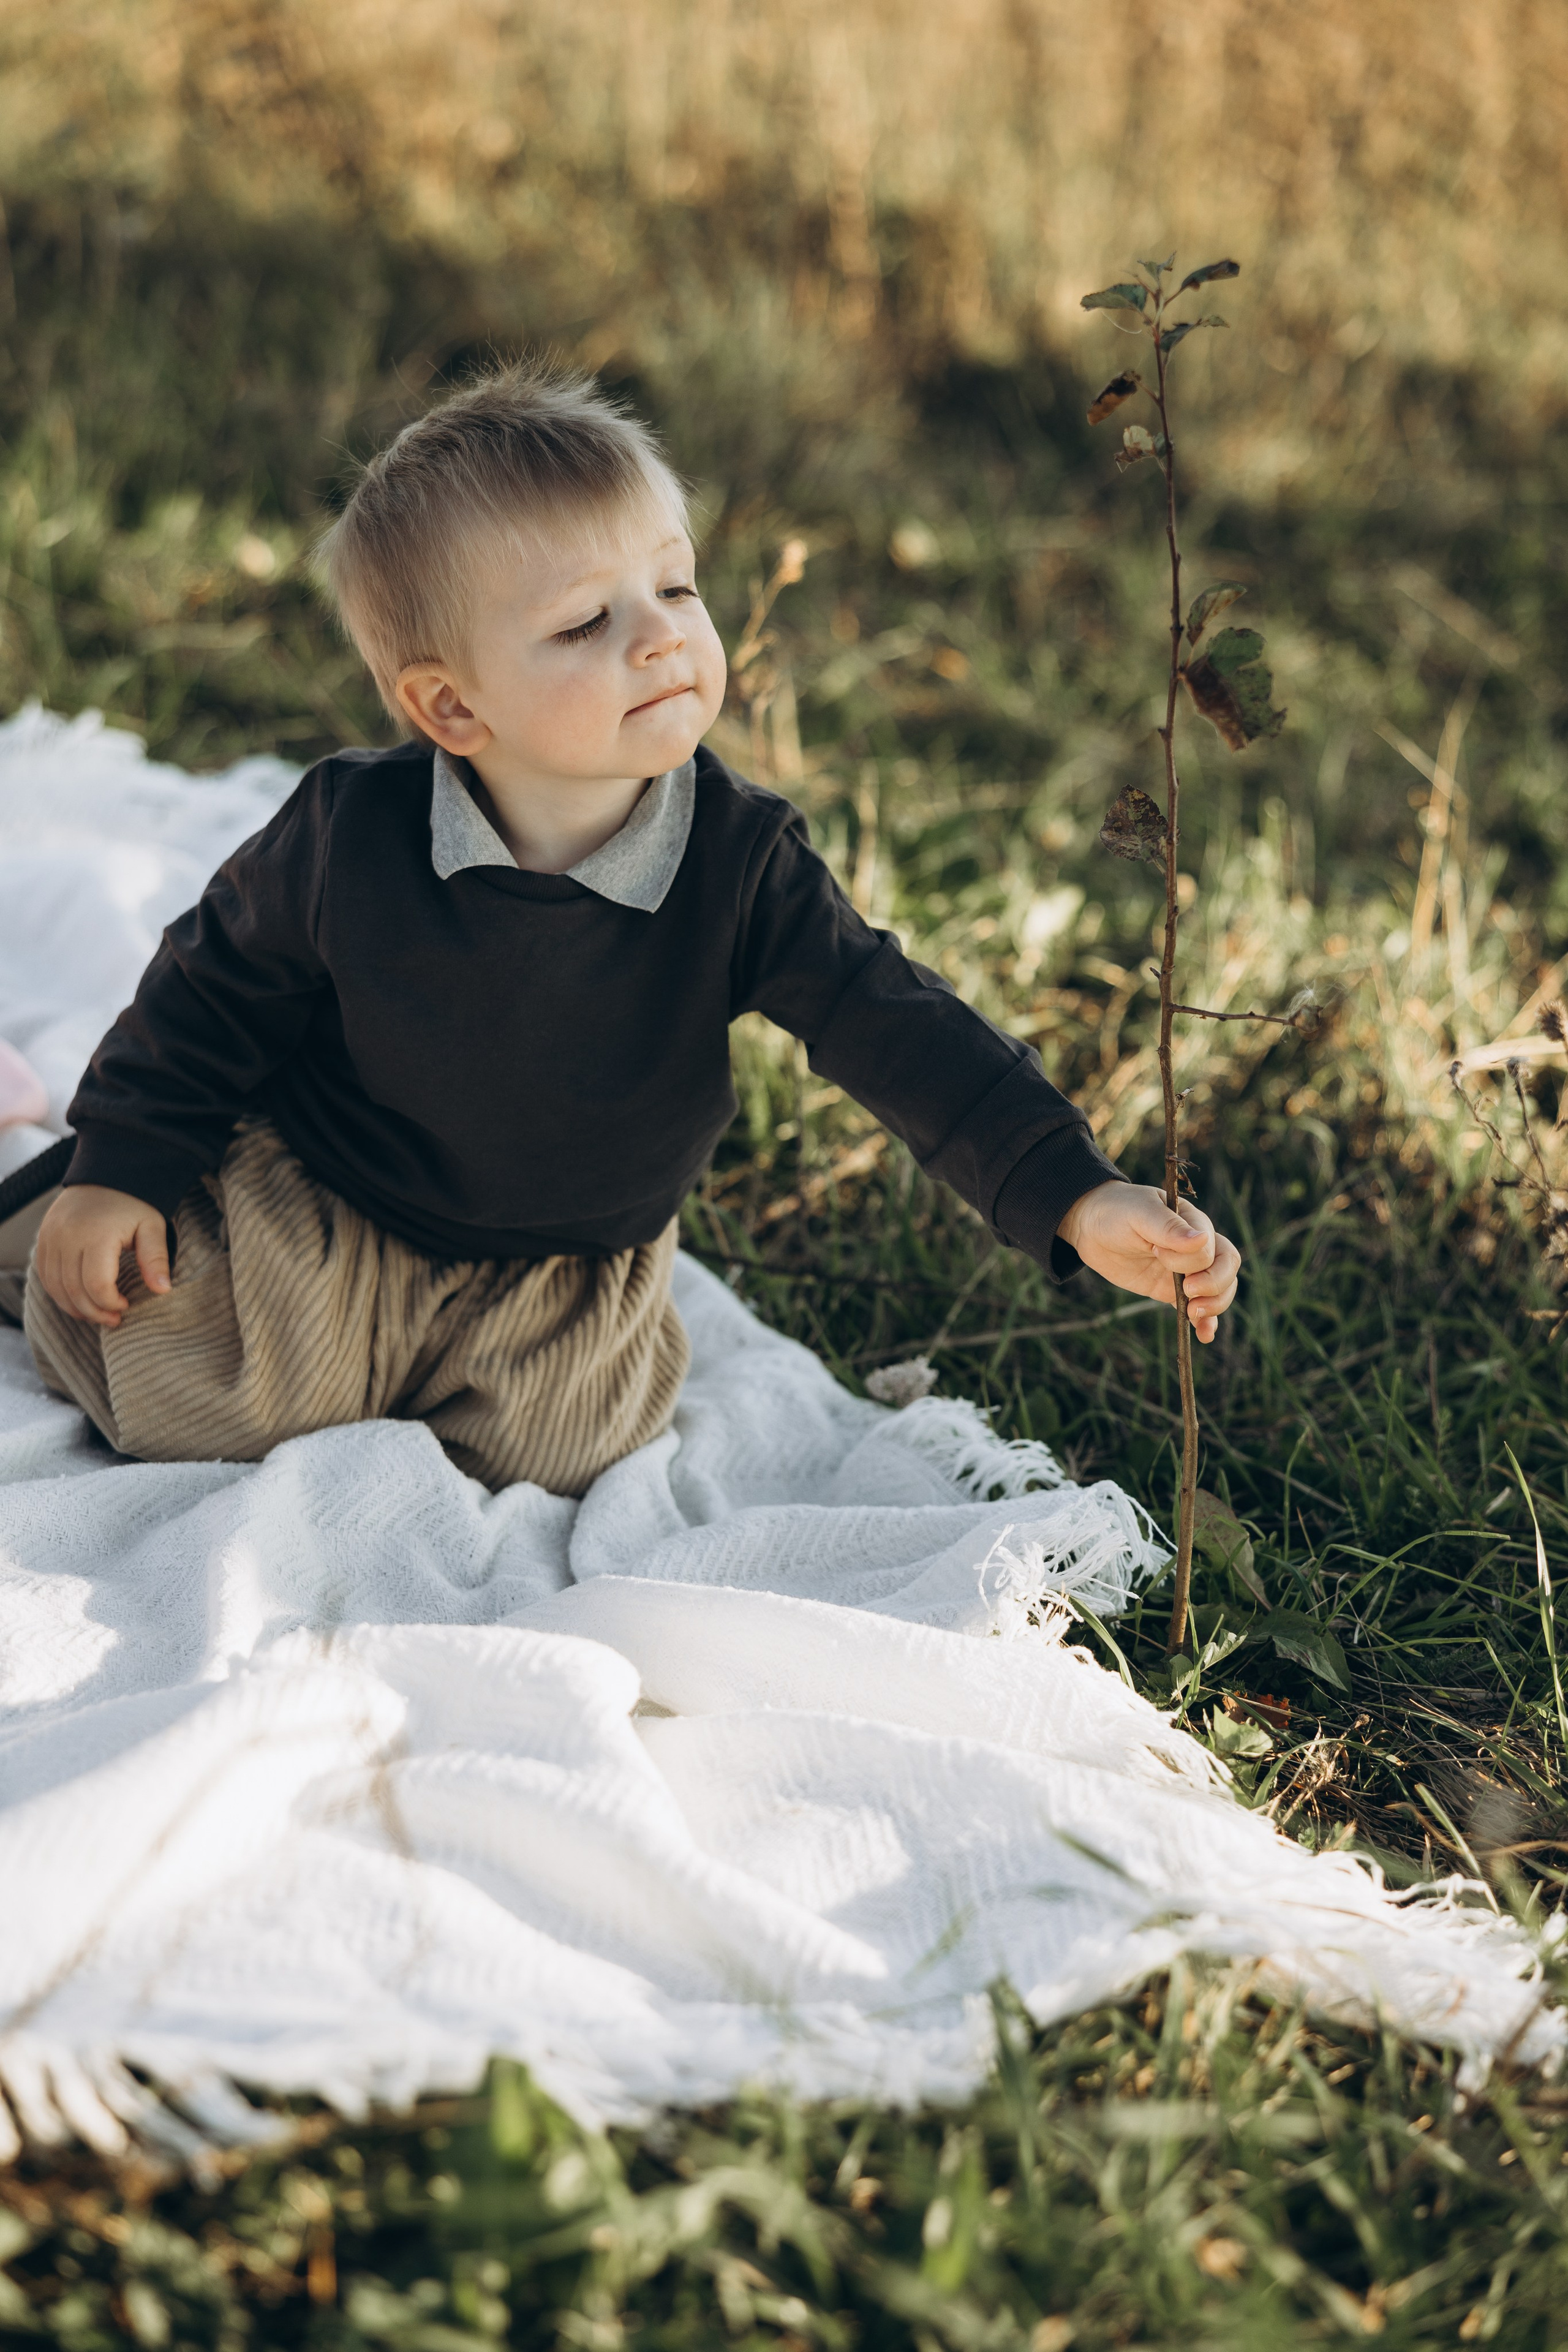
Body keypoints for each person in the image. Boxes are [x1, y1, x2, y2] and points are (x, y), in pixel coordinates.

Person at [23, 363, 1241, 1498]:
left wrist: (1076, 1198)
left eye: (672, 587)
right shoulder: (355, 833)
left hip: (564, 1260)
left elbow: (899, 1031)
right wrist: (120, 1164)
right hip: (335, 1194)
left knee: (564, 1456)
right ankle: (33, 1204)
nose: (657, 635)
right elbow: (209, 989)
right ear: (450, 705)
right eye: (579, 625)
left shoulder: (736, 862)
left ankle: (432, 1361)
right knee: (191, 1396)